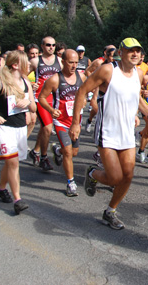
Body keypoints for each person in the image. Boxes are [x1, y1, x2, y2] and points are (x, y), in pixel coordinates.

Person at [69, 38, 148, 230]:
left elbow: (136, 97)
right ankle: (93, 173)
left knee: (128, 176)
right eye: (130, 51)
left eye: (138, 51)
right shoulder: (108, 70)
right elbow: (81, 92)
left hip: (127, 132)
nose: (135, 54)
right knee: (114, 178)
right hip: (107, 132)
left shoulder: (138, 72)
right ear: (121, 52)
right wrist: (76, 123)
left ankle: (110, 211)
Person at [0, 51, 36, 214]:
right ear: (16, 65)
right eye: (26, 63)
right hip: (3, 126)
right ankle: (18, 199)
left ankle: (1, 188)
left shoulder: (26, 82)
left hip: (19, 127)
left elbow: (34, 107)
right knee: (13, 163)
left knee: (11, 162)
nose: (29, 66)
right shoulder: (0, 82)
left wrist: (28, 102)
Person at [38, 49, 87, 197]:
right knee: (68, 152)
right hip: (61, 121)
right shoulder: (55, 79)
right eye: (71, 62)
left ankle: (57, 150)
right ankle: (70, 183)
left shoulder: (82, 77)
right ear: (63, 62)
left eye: (76, 63)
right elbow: (41, 97)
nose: (74, 66)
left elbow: (86, 93)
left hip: (75, 121)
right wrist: (51, 110)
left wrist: (84, 100)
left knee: (74, 152)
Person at [28, 36, 62, 171]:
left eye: (54, 45)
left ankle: (35, 151)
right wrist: (31, 84)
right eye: (48, 45)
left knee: (44, 128)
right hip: (40, 99)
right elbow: (21, 75)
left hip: (56, 99)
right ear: (42, 46)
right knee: (47, 128)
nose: (51, 48)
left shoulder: (59, 61)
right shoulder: (36, 61)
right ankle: (44, 157)